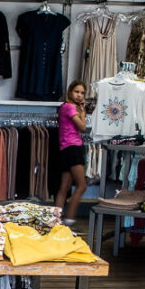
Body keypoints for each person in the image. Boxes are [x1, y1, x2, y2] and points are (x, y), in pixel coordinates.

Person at [55, 81, 88, 226]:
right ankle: (70, 218)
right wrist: (83, 111)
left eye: (82, 93)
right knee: (82, 186)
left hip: (65, 149)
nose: (79, 95)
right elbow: (82, 127)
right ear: (70, 92)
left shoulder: (64, 107)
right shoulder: (69, 107)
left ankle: (56, 219)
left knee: (64, 187)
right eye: (76, 92)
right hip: (73, 148)